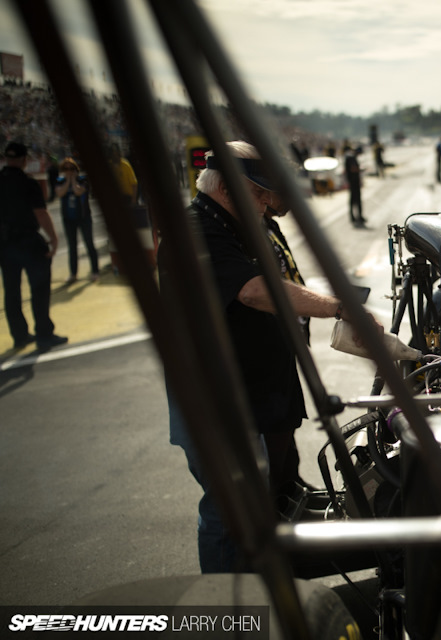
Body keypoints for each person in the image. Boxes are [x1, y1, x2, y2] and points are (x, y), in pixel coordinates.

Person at [158, 140, 371, 572]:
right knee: (230, 512)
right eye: (257, 193)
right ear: (225, 189)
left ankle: (259, 585)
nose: (266, 202)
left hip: (245, 395)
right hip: (212, 402)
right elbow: (253, 291)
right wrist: (338, 306)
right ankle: (226, 607)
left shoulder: (234, 225)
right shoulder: (196, 230)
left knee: (258, 500)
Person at [0, 141, 68, 350]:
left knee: (11, 292)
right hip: (28, 241)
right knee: (39, 288)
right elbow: (41, 213)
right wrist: (54, 239)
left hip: (4, 244)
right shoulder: (28, 184)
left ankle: (20, 336)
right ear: (24, 160)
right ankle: (44, 335)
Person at [55, 157, 100, 284]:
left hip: (83, 217)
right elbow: (60, 193)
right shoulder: (60, 181)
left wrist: (73, 179)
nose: (68, 171)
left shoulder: (82, 180)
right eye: (66, 168)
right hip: (68, 219)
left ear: (76, 169)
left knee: (89, 243)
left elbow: (78, 191)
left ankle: (95, 270)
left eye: (71, 168)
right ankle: (73, 273)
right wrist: (67, 181)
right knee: (72, 246)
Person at [343, 144, 365, 226]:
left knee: (354, 200)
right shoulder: (351, 157)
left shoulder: (349, 156)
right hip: (353, 182)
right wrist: (360, 169)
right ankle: (356, 217)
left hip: (353, 181)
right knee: (355, 200)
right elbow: (353, 169)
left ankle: (357, 216)